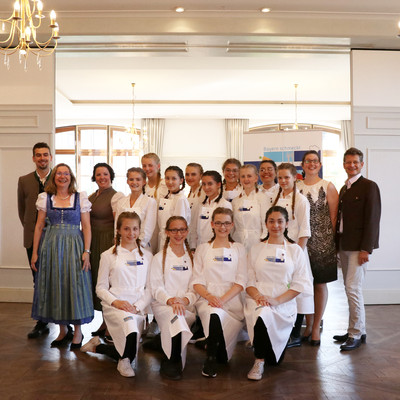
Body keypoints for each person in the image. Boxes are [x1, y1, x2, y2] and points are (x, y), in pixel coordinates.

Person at [81, 212, 153, 377]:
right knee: (131, 331)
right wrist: (117, 302)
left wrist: (137, 307)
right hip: (115, 306)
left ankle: (98, 347)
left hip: (137, 307)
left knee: (131, 346)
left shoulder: (148, 256)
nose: (131, 233)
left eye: (135, 229)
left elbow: (150, 289)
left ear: (139, 230)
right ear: (118, 230)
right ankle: (123, 363)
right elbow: (100, 288)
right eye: (126, 229)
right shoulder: (108, 256)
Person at [245, 206, 313, 380]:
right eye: (271, 221)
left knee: (275, 361)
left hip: (283, 304)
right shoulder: (256, 249)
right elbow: (248, 281)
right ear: (266, 224)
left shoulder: (295, 250)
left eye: (280, 221)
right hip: (259, 300)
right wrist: (258, 296)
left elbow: (300, 284)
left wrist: (277, 300)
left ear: (287, 224)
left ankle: (271, 346)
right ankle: (258, 361)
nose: (276, 225)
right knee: (263, 313)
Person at [30, 163, 93, 349]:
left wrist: (87, 251)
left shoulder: (80, 198)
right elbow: (39, 226)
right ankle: (63, 330)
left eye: (66, 173)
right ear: (54, 177)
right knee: (56, 284)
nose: (62, 176)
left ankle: (78, 332)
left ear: (71, 177)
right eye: (59, 173)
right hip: (51, 246)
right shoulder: (45, 198)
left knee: (75, 285)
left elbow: (86, 227)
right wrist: (35, 252)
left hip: (75, 245)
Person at [334, 147, 381, 351]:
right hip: (344, 245)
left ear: (362, 164)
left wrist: (366, 249)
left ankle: (355, 334)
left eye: (355, 162)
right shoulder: (344, 188)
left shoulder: (369, 186)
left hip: (358, 248)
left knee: (353, 289)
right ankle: (356, 329)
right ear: (344, 164)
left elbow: (373, 219)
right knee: (349, 288)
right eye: (348, 162)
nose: (351, 165)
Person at [193, 207, 247, 378]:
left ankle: (210, 345)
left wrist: (222, 300)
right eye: (218, 223)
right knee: (214, 313)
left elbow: (241, 281)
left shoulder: (239, 248)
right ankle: (209, 359)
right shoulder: (203, 248)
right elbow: (196, 281)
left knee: (224, 358)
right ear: (212, 224)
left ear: (232, 225)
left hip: (232, 301)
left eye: (226, 223)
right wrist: (211, 297)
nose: (222, 227)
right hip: (207, 299)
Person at [267, 163, 313, 347]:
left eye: (287, 177)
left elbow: (304, 230)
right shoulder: (274, 198)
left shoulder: (301, 200)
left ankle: (295, 333)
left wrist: (297, 255)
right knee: (280, 289)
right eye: (280, 177)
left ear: (295, 178)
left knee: (297, 290)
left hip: (295, 251)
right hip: (277, 249)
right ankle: (280, 330)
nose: (283, 181)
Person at [297, 151, 338, 345]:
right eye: (308, 161)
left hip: (323, 243)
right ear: (302, 165)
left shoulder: (328, 186)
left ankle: (316, 328)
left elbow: (334, 217)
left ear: (319, 165)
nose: (311, 164)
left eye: (315, 161)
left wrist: (330, 242)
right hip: (302, 243)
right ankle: (308, 324)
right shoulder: (296, 187)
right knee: (305, 285)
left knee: (320, 284)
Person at [150, 216, 197, 380]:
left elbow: (195, 288)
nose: (178, 234)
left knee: (179, 315)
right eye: (174, 230)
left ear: (187, 231)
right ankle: (172, 359)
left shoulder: (193, 258)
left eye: (182, 230)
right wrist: (171, 301)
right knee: (175, 316)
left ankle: (162, 345)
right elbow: (156, 288)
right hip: (163, 305)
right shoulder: (158, 258)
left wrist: (184, 300)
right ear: (167, 232)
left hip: (186, 305)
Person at [17, 142, 52, 339]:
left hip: (55, 238)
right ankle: (41, 321)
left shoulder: (60, 177)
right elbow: (22, 211)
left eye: (45, 154)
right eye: (38, 155)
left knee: (56, 279)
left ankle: (63, 321)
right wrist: (32, 231)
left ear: (50, 157)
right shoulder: (23, 181)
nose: (42, 158)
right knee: (37, 280)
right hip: (33, 239)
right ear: (33, 158)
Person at [88, 163, 124, 337]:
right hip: (92, 241)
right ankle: (104, 320)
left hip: (106, 241)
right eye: (98, 174)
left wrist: (115, 245)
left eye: (105, 174)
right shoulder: (91, 196)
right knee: (97, 280)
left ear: (111, 176)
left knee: (108, 282)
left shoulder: (116, 196)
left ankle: (110, 323)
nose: (102, 177)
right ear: (94, 177)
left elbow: (118, 223)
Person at [114, 167, 157, 250]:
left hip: (141, 247)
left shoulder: (150, 202)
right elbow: (117, 225)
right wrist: (118, 243)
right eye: (131, 179)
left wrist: (138, 245)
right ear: (127, 181)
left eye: (138, 179)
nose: (134, 182)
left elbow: (148, 228)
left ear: (144, 182)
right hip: (122, 245)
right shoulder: (121, 202)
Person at [189, 170, 232, 249]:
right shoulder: (200, 205)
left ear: (218, 184)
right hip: (199, 247)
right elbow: (194, 228)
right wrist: (193, 247)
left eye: (210, 184)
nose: (206, 187)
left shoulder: (224, 205)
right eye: (204, 184)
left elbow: (225, 230)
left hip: (216, 247)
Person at [232, 164, 266, 252]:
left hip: (257, 242)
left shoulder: (263, 198)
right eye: (243, 176)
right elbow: (233, 226)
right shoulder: (235, 201)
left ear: (256, 178)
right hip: (238, 241)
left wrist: (264, 240)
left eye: (249, 176)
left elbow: (266, 224)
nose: (246, 179)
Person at [157, 166, 191, 251]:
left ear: (181, 180)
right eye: (167, 178)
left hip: (174, 243)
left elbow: (179, 227)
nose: (170, 182)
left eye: (174, 179)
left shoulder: (180, 199)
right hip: (163, 240)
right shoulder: (167, 197)